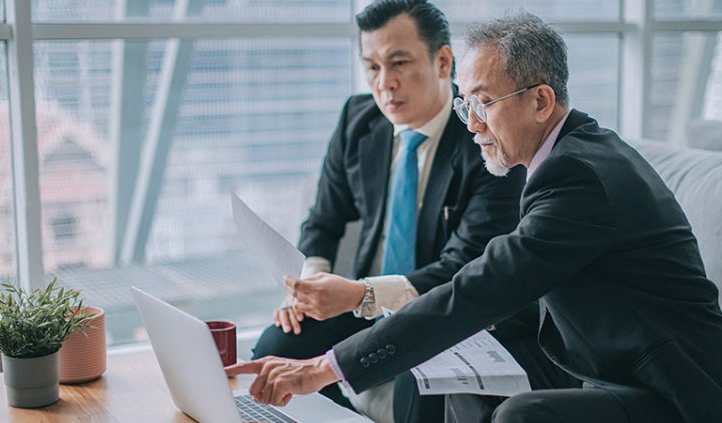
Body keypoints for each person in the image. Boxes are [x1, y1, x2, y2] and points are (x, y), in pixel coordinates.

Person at [230, 11, 722, 423]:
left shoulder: (577, 176)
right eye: (467, 104)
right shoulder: (567, 154)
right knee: (453, 371)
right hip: (595, 351)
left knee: (520, 416)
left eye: (484, 103)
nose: (474, 124)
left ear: (540, 100)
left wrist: (325, 368)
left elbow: (481, 286)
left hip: (673, 385)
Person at [249, 1, 573, 422]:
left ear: (442, 62)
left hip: (442, 308)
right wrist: (309, 287)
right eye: (372, 67)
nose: (385, 83)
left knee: (420, 369)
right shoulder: (358, 118)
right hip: (360, 304)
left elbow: (465, 268)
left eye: (399, 63)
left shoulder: (487, 137)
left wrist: (358, 293)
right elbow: (324, 220)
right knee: (276, 349)